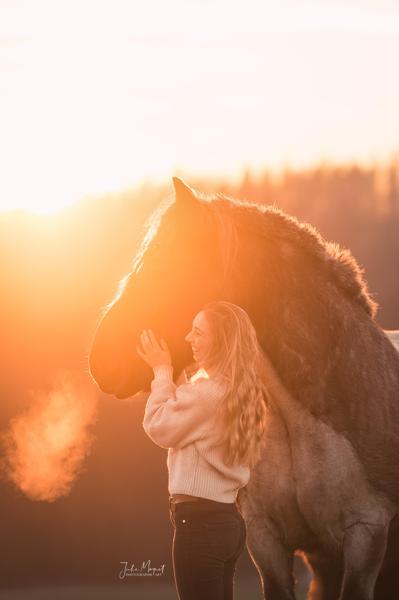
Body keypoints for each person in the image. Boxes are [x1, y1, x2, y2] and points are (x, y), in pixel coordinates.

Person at [136, 300, 271, 600]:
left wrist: (161, 370)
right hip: (226, 522)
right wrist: (177, 376)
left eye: (198, 333)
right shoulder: (234, 390)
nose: (188, 339)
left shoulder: (207, 395)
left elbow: (159, 425)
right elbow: (191, 406)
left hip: (199, 527)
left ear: (219, 343)